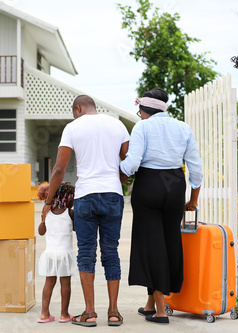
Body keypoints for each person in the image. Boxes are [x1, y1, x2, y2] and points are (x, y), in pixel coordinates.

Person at [41, 95, 130, 327]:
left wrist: (49, 201)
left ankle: (89, 313)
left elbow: (59, 169)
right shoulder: (117, 124)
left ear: (78, 108)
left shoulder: (72, 127)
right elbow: (128, 162)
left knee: (86, 253)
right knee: (111, 252)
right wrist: (118, 181)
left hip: (86, 196)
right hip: (112, 195)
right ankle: (113, 312)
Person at [119, 88, 203, 324]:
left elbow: (133, 162)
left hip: (149, 185)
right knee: (168, 242)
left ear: (143, 110)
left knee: (151, 245)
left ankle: (161, 310)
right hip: (175, 184)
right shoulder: (183, 127)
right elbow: (196, 168)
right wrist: (193, 200)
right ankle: (150, 304)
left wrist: (118, 177)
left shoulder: (142, 127)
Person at [37, 183, 76, 324]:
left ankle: (44, 314)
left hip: (50, 254)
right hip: (64, 254)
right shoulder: (69, 212)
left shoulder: (47, 211)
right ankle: (64, 314)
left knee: (49, 283)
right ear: (68, 198)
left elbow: (41, 232)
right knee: (65, 284)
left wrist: (43, 220)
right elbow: (76, 229)